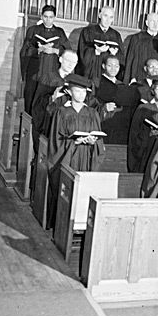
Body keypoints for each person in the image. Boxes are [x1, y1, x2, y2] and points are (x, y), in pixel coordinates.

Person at [46, 74, 105, 228]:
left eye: (84, 92)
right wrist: (74, 142)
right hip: (68, 158)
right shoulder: (61, 112)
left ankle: (79, 225)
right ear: (70, 92)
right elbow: (55, 140)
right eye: (78, 91)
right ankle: (61, 227)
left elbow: (99, 139)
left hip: (86, 158)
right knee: (66, 192)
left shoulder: (92, 113)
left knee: (84, 192)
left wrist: (93, 141)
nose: (81, 95)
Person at [19, 4, 71, 114]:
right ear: (41, 17)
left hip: (51, 71)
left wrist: (54, 51)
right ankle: (29, 128)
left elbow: (67, 52)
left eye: (51, 17)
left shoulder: (59, 32)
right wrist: (39, 49)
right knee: (31, 99)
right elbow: (25, 51)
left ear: (54, 18)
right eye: (45, 17)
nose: (48, 20)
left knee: (47, 102)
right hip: (35, 72)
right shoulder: (33, 30)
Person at [30, 49, 78, 150]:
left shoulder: (77, 80)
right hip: (50, 121)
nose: (71, 64)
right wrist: (52, 98)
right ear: (60, 59)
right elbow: (38, 103)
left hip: (69, 123)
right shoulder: (48, 78)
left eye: (74, 62)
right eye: (68, 60)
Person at [127, 76, 158, 173]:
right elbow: (135, 133)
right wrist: (149, 134)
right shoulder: (143, 108)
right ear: (153, 90)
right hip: (147, 149)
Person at [94, 55, 140, 144]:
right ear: (103, 66)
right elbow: (90, 103)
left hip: (119, 125)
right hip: (103, 122)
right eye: (110, 65)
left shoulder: (122, 85)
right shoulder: (96, 82)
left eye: (116, 66)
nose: (113, 69)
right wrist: (103, 107)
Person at [77, 5, 125, 80]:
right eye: (105, 16)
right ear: (100, 15)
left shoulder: (116, 35)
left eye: (111, 17)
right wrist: (96, 51)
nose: (108, 20)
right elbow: (82, 53)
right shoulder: (87, 31)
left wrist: (114, 54)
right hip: (92, 72)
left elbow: (121, 58)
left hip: (108, 75)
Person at [123, 12, 158, 84]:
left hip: (157, 79)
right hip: (140, 77)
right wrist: (132, 77)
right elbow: (131, 59)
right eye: (152, 21)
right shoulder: (137, 38)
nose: (155, 24)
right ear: (146, 23)